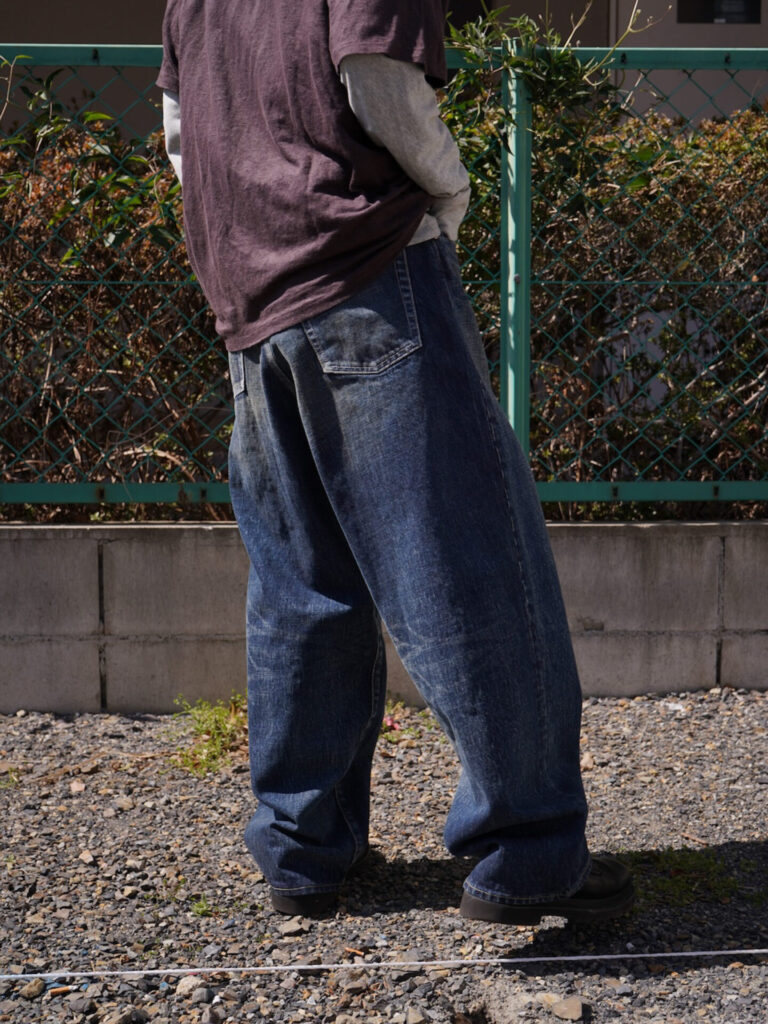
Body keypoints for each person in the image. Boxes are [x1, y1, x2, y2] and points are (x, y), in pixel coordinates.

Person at [157, 0, 633, 925]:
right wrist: (448, 196)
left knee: (303, 587)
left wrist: (251, 236)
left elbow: (182, 130)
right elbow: (378, 81)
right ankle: (528, 852)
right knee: (466, 565)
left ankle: (304, 848)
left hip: (253, 301)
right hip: (368, 271)